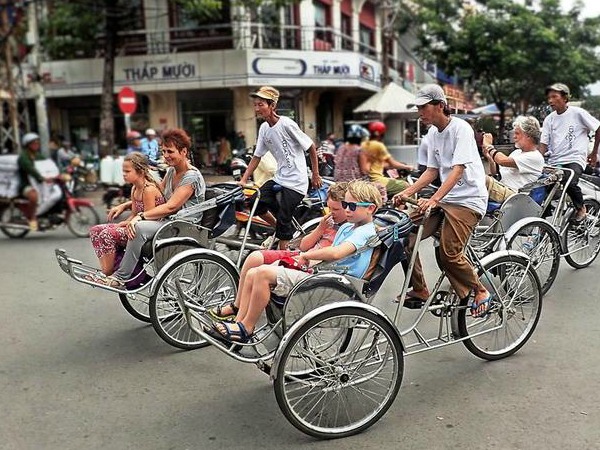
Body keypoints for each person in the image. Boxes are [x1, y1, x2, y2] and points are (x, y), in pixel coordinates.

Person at [208, 179, 381, 343]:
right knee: (254, 272)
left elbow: (336, 253)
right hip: (323, 273)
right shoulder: (347, 227)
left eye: (351, 206)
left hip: (334, 282)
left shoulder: (365, 232)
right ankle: (239, 322)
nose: (348, 210)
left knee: (262, 274)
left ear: (370, 209)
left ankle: (247, 328)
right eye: (345, 205)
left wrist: (307, 257)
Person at [397, 84, 491, 318]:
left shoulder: (462, 129)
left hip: (469, 200)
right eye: (418, 107)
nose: (420, 112)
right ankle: (419, 288)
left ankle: (480, 290)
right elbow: (431, 171)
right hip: (445, 199)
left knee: (448, 253)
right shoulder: (432, 134)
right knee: (402, 236)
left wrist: (433, 199)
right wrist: (407, 192)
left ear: (440, 106)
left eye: (424, 107)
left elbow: (458, 170)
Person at [209, 181, 348, 321]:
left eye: (335, 210)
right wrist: (320, 228)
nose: (330, 213)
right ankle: (237, 306)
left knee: (262, 272)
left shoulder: (346, 230)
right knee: (255, 257)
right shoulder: (329, 222)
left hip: (313, 263)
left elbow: (333, 254)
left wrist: (306, 255)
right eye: (329, 208)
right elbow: (304, 246)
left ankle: (243, 323)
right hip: (303, 254)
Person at [104, 128, 205, 288]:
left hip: (183, 226)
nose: (165, 156)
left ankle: (122, 277)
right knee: (122, 228)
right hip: (169, 222)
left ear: (184, 151)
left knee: (138, 228)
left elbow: (171, 206)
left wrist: (140, 216)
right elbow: (161, 196)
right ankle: (133, 273)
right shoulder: (172, 171)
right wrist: (125, 205)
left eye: (170, 151)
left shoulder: (191, 176)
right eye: (163, 151)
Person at [238, 86, 322, 250]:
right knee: (255, 202)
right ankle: (281, 229)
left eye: (261, 104)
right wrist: (243, 179)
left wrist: (315, 175)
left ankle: (282, 257)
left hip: (297, 182)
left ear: (272, 106)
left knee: (285, 217)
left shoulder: (287, 124)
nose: (257, 109)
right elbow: (257, 156)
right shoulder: (263, 129)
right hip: (279, 178)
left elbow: (311, 147)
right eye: (255, 105)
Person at [89, 152, 165, 275]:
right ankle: (106, 269)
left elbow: (149, 217)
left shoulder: (148, 190)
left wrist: (127, 224)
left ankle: (108, 273)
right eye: (123, 171)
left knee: (106, 234)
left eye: (127, 171)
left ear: (140, 172)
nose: (124, 174)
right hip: (136, 224)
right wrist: (125, 222)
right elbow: (134, 213)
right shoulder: (135, 188)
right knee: (95, 230)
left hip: (148, 229)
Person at [540, 83, 600, 222]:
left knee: (570, 181)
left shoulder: (577, 113)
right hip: (556, 161)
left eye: (554, 97)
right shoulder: (549, 119)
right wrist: (537, 160)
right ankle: (545, 223)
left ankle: (581, 208)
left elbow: (598, 128)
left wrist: (594, 153)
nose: (550, 101)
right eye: (549, 98)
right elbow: (543, 144)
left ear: (565, 98)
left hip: (575, 158)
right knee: (543, 186)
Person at [482, 115, 545, 203]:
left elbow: (502, 161)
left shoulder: (535, 156)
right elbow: (495, 173)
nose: (514, 136)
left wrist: (489, 146)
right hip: (503, 189)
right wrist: (490, 159)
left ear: (529, 136)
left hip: (515, 196)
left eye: (517, 133)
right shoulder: (517, 152)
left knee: (478, 178)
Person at [361, 120, 414, 198]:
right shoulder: (378, 145)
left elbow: (380, 164)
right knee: (407, 187)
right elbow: (392, 163)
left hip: (369, 180)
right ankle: (401, 210)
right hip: (378, 180)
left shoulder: (364, 144)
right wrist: (407, 167)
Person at [17, 133, 54, 231]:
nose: (36, 145)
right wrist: (41, 178)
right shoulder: (23, 157)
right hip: (26, 184)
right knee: (34, 196)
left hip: (39, 183)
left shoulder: (38, 155)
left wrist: (57, 172)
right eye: (34, 143)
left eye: (37, 143)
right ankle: (32, 217)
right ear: (28, 145)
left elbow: (47, 164)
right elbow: (30, 169)